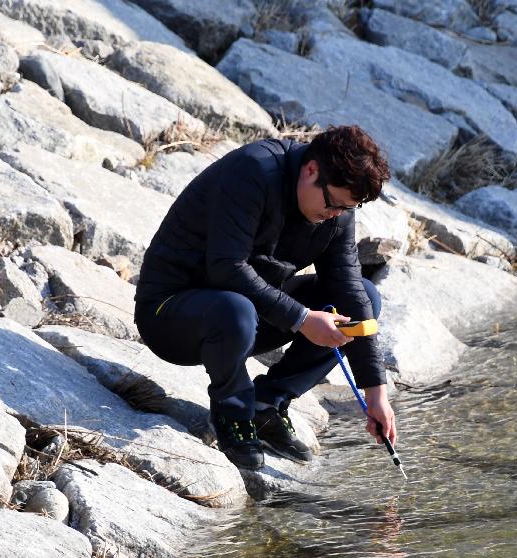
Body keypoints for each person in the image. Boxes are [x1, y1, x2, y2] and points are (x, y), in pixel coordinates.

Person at [134, 125, 396, 470]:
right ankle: (233, 411)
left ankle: (266, 404)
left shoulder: (337, 212)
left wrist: (375, 392)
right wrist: (302, 319)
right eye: (333, 204)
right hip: (172, 315)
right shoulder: (254, 171)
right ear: (311, 169)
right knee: (235, 308)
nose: (336, 214)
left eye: (348, 208)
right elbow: (226, 268)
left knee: (365, 299)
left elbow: (348, 288)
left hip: (246, 316)